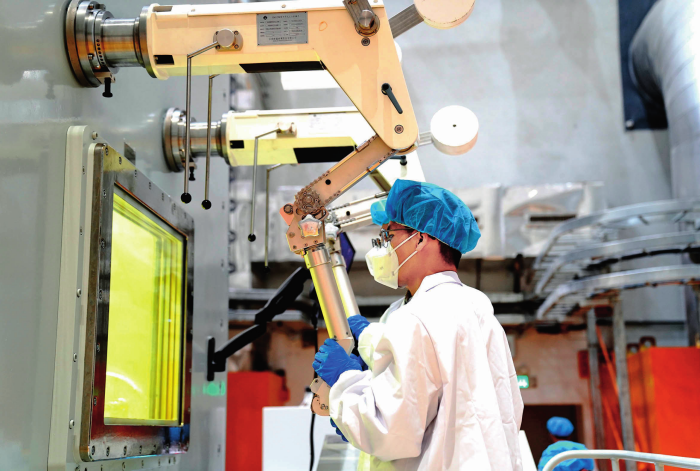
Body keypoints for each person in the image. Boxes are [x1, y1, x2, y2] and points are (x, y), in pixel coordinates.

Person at [312, 180, 524, 470]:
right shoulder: (476, 309)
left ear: (421, 239)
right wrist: (371, 352)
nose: (383, 247)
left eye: (388, 235)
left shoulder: (418, 317)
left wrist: (344, 382)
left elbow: (390, 431)